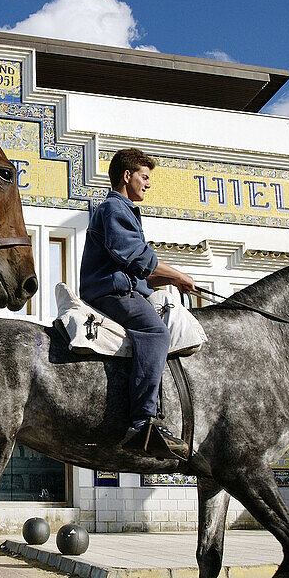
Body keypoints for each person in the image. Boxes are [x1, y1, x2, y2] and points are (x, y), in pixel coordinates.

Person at [79, 148, 197, 459]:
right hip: (110, 294)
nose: (148, 184)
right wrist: (177, 274)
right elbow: (138, 259)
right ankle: (143, 421)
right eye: (144, 177)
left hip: (121, 290)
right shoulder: (114, 210)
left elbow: (140, 274)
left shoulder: (123, 212)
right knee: (156, 333)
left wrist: (171, 279)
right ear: (126, 176)